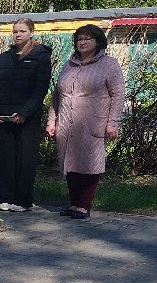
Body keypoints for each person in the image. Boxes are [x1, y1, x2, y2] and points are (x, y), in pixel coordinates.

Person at [47, 24, 125, 219]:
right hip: (66, 123)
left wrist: (113, 123)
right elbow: (57, 96)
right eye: (79, 39)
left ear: (98, 41)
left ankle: (84, 205)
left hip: (93, 123)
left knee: (89, 164)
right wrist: (51, 121)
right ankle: (74, 204)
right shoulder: (69, 64)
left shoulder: (109, 64)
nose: (82, 42)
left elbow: (118, 95)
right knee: (69, 163)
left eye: (87, 38)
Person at [0, 18, 53, 212]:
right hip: (3, 117)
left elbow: (40, 89)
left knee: (25, 160)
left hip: (26, 119)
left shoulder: (41, 56)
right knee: (4, 158)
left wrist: (24, 113)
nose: (18, 34)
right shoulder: (4, 58)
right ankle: (3, 197)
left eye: (22, 31)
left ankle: (22, 200)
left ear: (31, 32)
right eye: (15, 31)